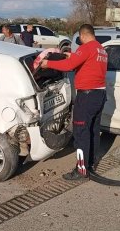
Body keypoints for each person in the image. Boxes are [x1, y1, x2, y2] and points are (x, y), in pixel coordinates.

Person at [40, 23, 108, 180]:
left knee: (80, 133)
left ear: (82, 35)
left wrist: (48, 63)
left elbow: (69, 66)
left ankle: (81, 170)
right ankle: (91, 162)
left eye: (80, 39)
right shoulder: (101, 49)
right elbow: (85, 63)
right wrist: (73, 56)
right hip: (99, 95)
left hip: (87, 97)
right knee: (92, 130)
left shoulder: (86, 48)